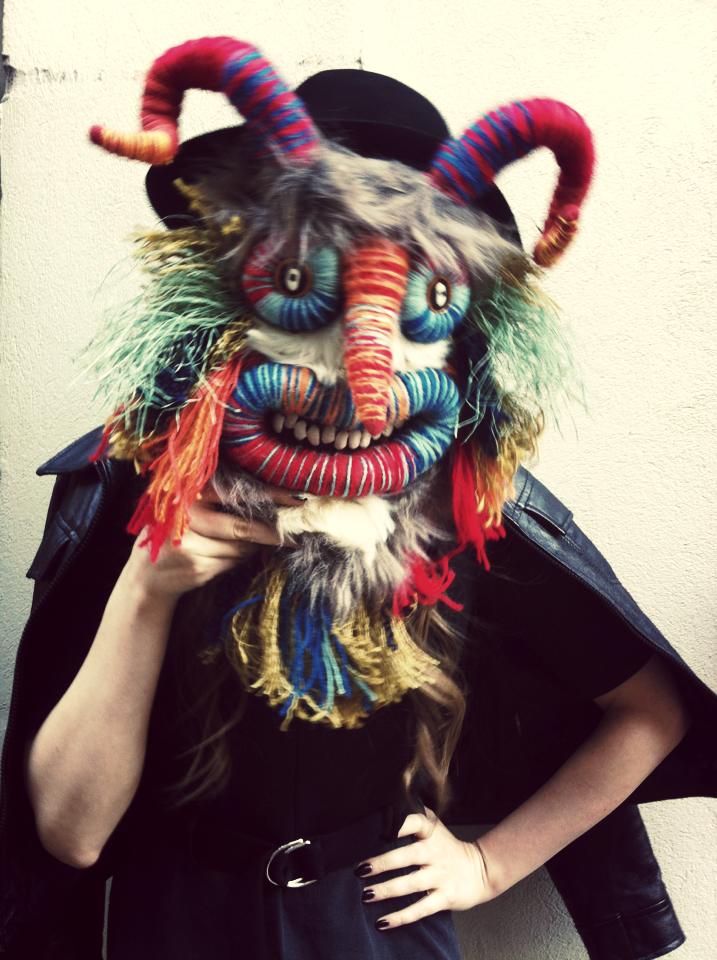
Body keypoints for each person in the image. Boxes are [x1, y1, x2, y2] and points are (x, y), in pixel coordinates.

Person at [1, 36, 716, 960]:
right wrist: (146, 589)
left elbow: (651, 711)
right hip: (173, 919)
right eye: (310, 286)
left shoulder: (465, 509)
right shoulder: (139, 484)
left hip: (375, 926)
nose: (353, 378)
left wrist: (489, 865)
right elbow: (71, 834)